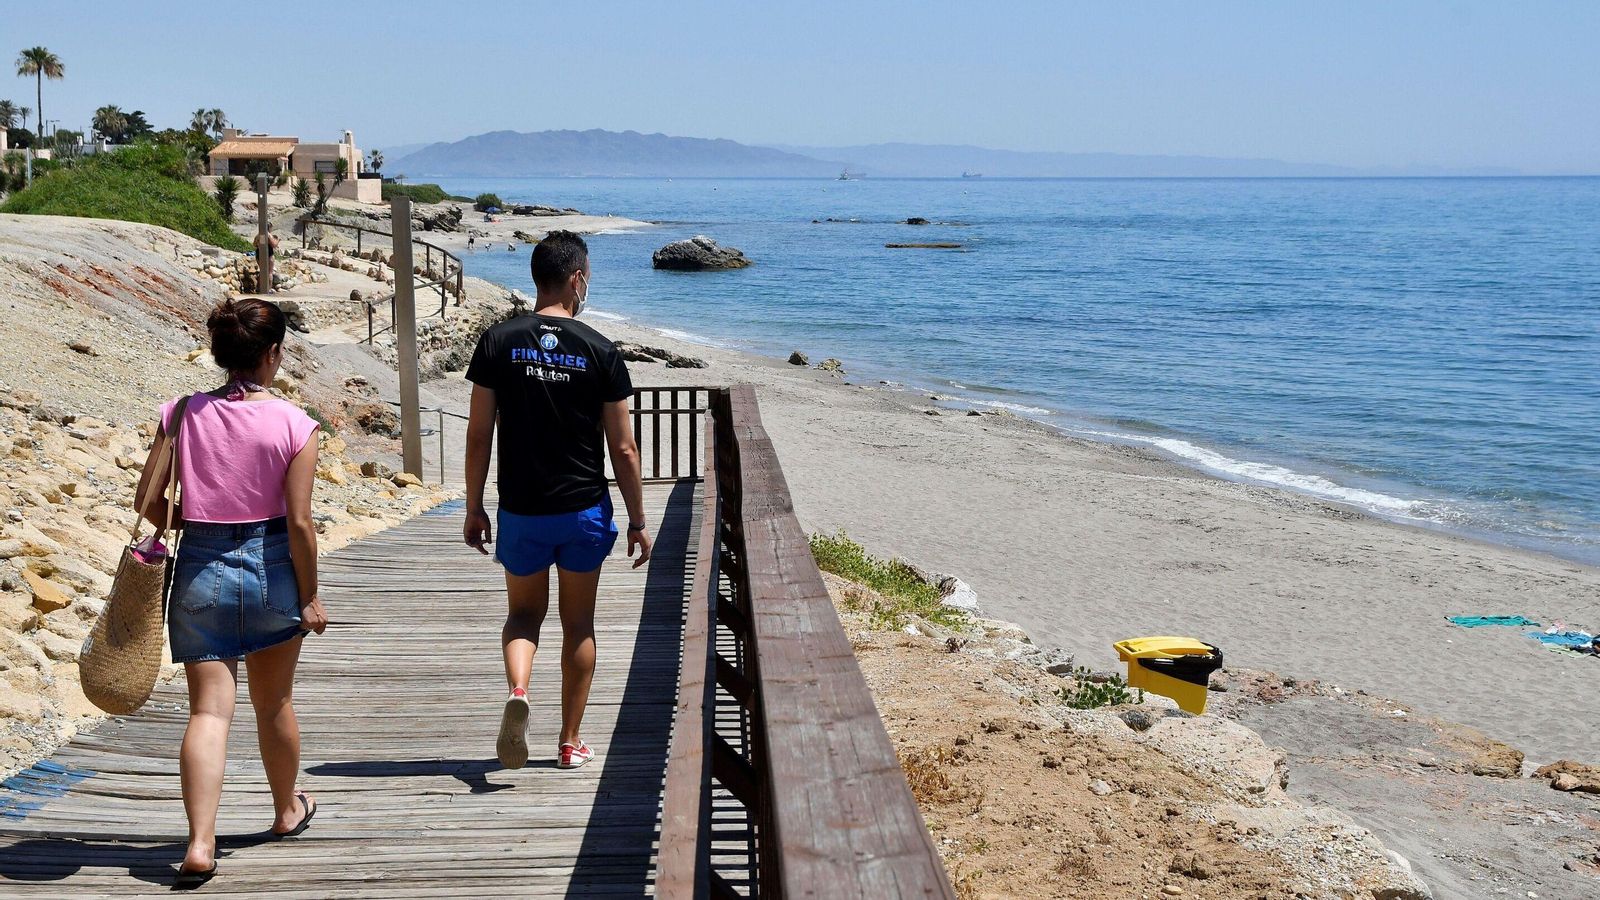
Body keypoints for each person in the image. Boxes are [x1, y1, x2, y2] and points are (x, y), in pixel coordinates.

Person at [135, 298, 330, 888]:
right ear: (273, 355)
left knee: (208, 710)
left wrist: (198, 514)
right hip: (272, 566)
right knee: (273, 704)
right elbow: (300, 524)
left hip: (199, 563)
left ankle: (199, 843)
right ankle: (284, 810)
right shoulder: (296, 425)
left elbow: (147, 502)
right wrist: (311, 596)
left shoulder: (182, 414)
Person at [462, 230, 651, 771]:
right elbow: (623, 447)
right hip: (583, 510)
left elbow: (479, 433)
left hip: (521, 508)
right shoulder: (601, 351)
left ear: (534, 277)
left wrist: (474, 506)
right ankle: (569, 741)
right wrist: (638, 520)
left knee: (523, 616)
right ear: (577, 279)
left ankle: (519, 692)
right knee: (579, 625)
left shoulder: (498, 341)